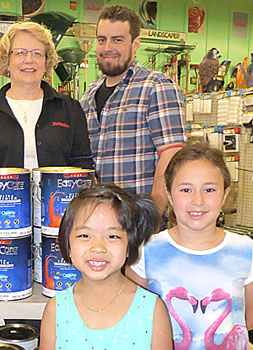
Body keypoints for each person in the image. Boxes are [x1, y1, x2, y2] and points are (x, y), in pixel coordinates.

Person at [126, 143, 253, 349]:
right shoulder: (145, 252)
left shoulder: (246, 251)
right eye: (186, 190)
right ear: (169, 194)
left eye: (209, 190)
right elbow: (137, 316)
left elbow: (250, 319)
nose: (198, 200)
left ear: (225, 194)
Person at [40, 184, 172, 349]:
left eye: (112, 236)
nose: (98, 247)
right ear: (67, 243)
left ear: (130, 244)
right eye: (85, 235)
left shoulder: (152, 310)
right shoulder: (56, 309)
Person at [81, 4, 186, 211]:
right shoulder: (87, 97)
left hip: (141, 219)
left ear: (135, 43)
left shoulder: (156, 86)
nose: (107, 47)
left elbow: (172, 154)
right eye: (102, 40)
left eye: (117, 40)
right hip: (101, 219)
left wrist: (153, 216)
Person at [0, 21, 93, 169]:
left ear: (46, 62)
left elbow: (83, 165)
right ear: (7, 60)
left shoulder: (70, 109)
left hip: (59, 193)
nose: (29, 60)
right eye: (20, 52)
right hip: (3, 192)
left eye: (37, 53)